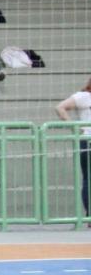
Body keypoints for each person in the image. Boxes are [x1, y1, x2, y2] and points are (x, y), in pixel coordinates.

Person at [55, 75, 91, 220]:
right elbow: (60, 107)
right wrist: (75, 127)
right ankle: (90, 215)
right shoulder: (83, 96)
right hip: (88, 141)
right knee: (89, 178)